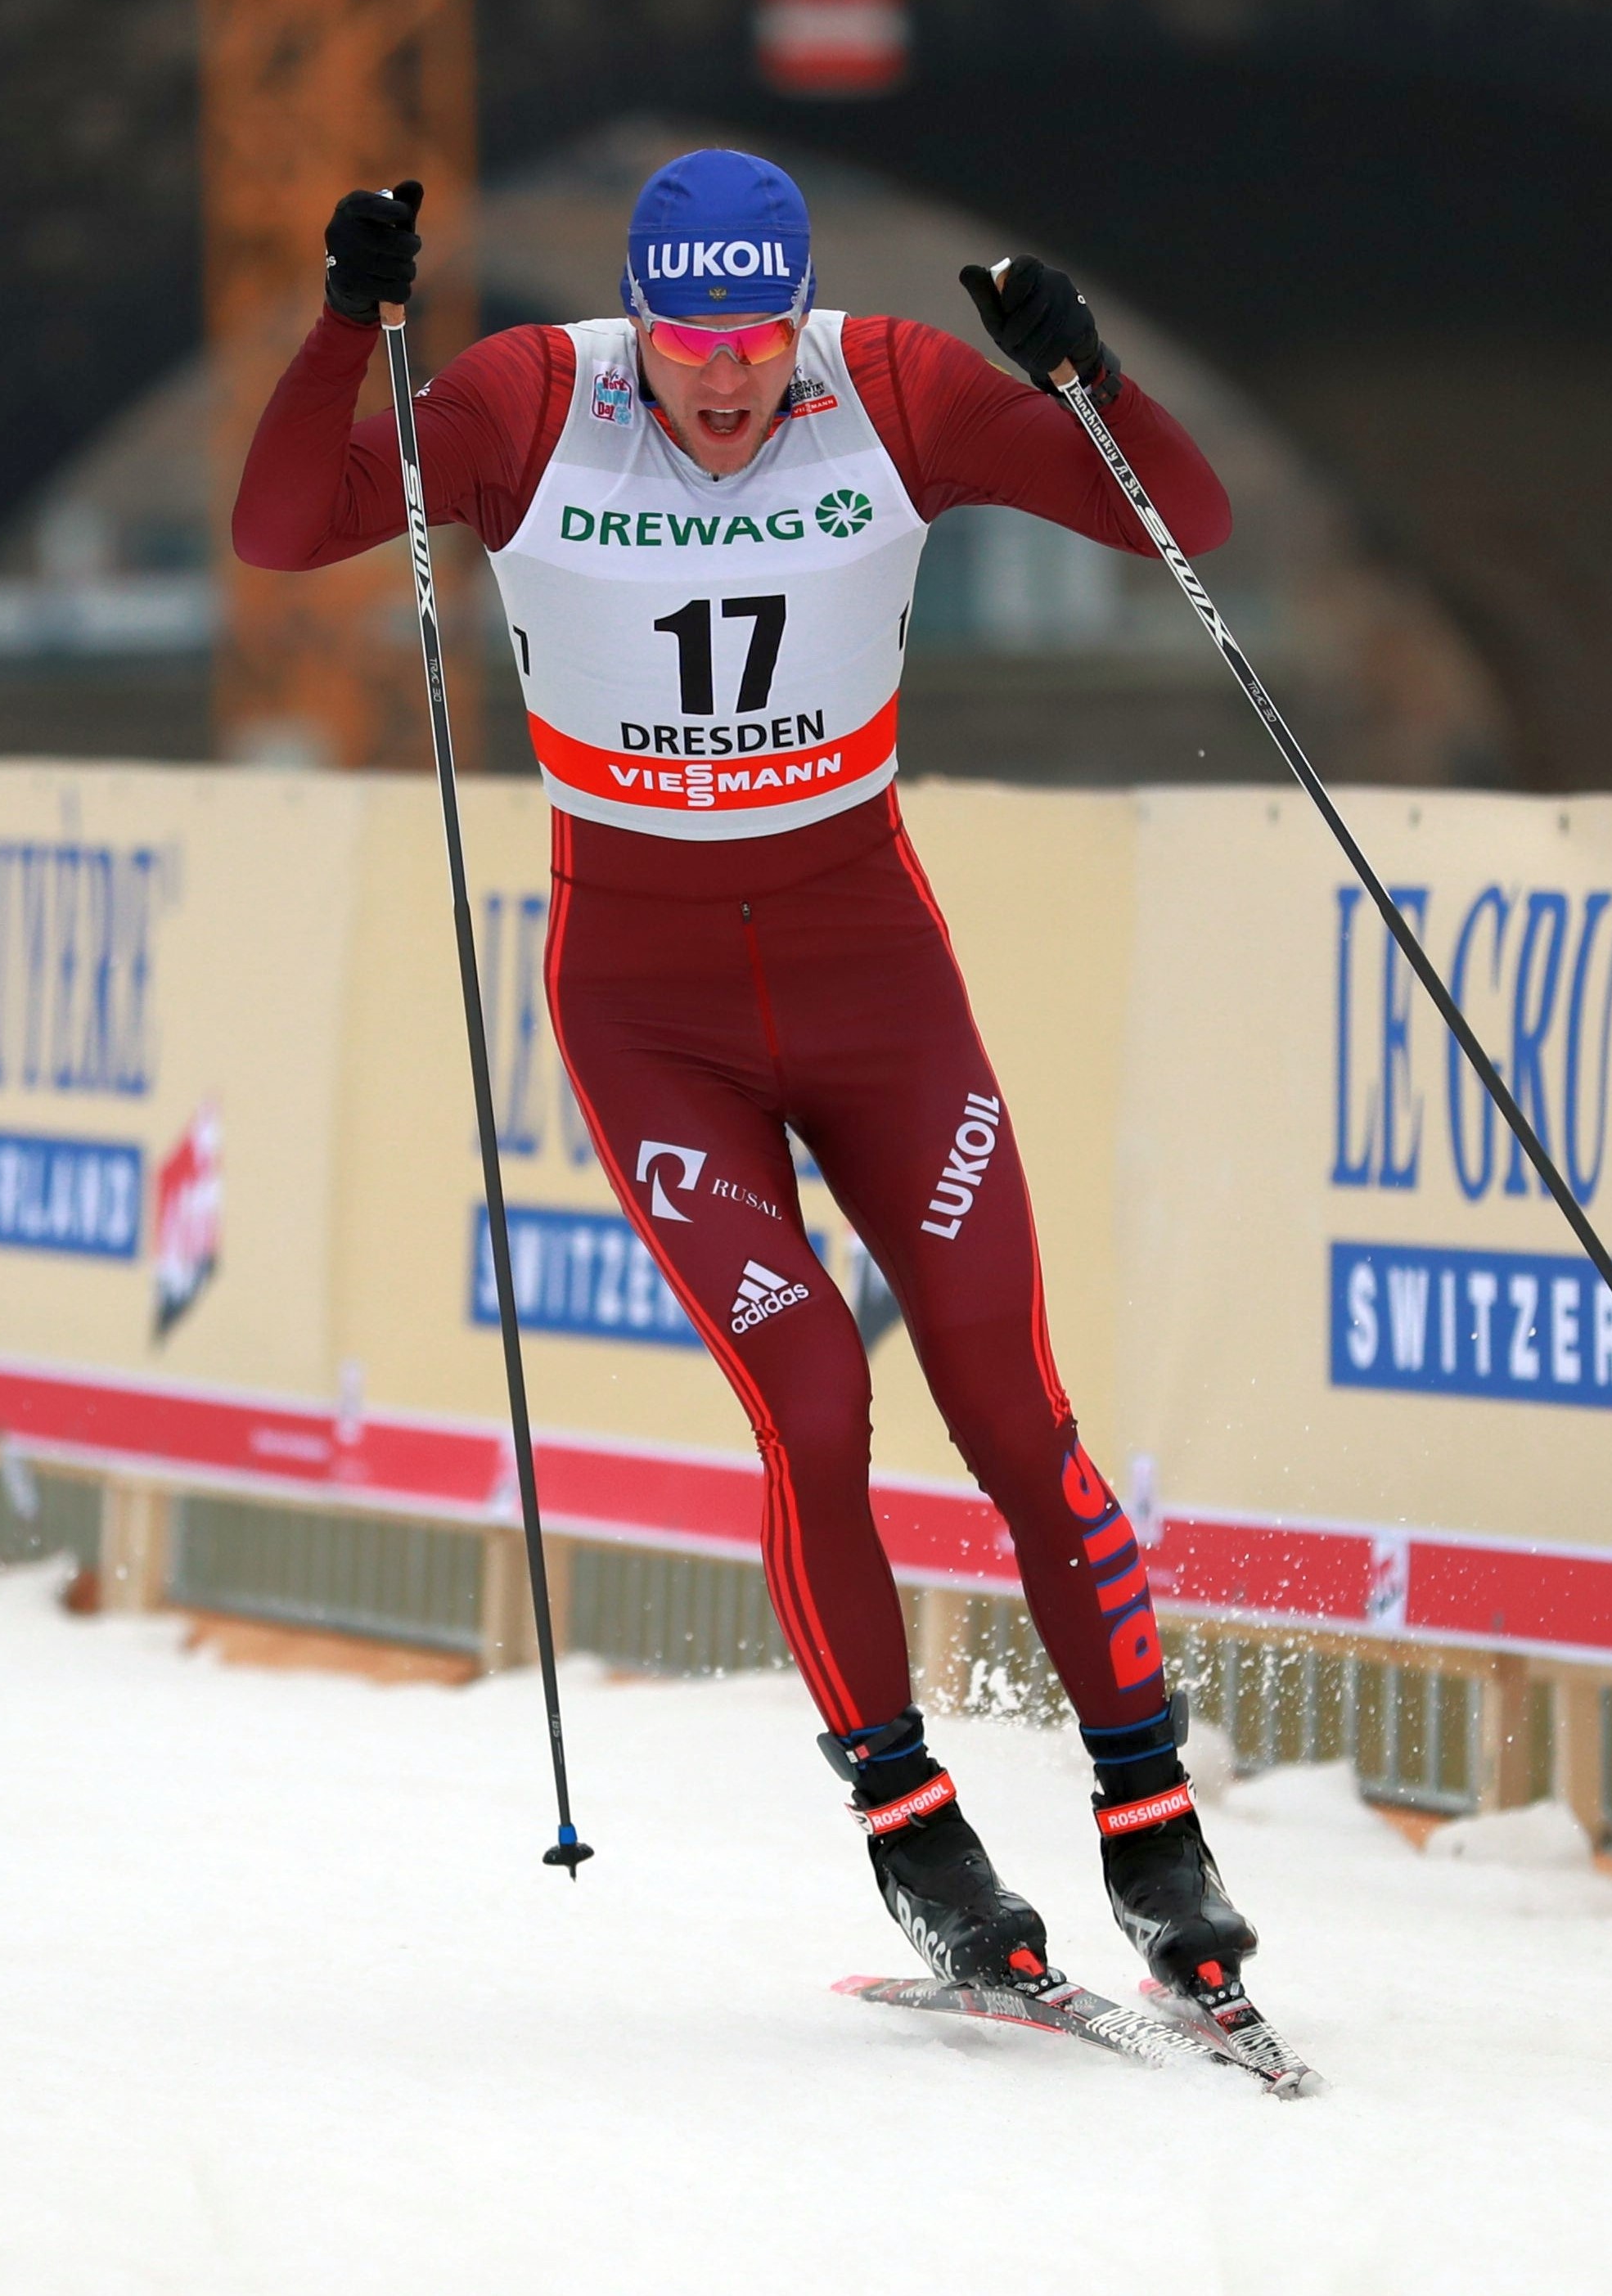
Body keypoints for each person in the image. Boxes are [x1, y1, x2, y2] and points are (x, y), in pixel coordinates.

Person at [236, 149, 1255, 1998]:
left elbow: (1185, 518)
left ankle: (1151, 1824)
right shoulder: (530, 401)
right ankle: (911, 1824)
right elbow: (282, 527)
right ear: (644, 318)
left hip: (874, 985)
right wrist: (340, 327)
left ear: (801, 315)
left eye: (756, 337)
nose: (724, 379)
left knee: (1010, 1413)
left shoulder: (894, 388)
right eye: (689, 338)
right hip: (651, 1015)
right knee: (810, 1405)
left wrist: (1083, 378)